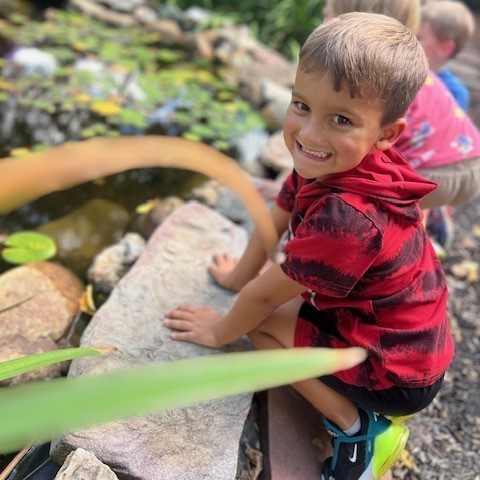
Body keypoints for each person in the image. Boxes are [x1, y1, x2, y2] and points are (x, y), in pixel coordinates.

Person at [164, 12, 454, 480]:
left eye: (341, 118)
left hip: (398, 369)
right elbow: (276, 215)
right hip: (391, 332)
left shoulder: (350, 217)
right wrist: (235, 276)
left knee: (256, 329)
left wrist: (220, 331)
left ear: (386, 134)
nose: (310, 133)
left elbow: (261, 298)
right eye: (301, 105)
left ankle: (360, 429)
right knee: (266, 310)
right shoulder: (326, 159)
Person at [323, 0, 480, 254]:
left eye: (329, 10)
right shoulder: (402, 63)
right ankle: (413, 251)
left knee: (364, 201)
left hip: (439, 168)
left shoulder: (373, 68)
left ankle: (391, 261)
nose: (322, 12)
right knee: (403, 202)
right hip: (464, 159)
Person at [417, 0, 475, 111]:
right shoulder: (404, 71)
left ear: (445, 49)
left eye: (419, 38)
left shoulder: (454, 93)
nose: (410, 40)